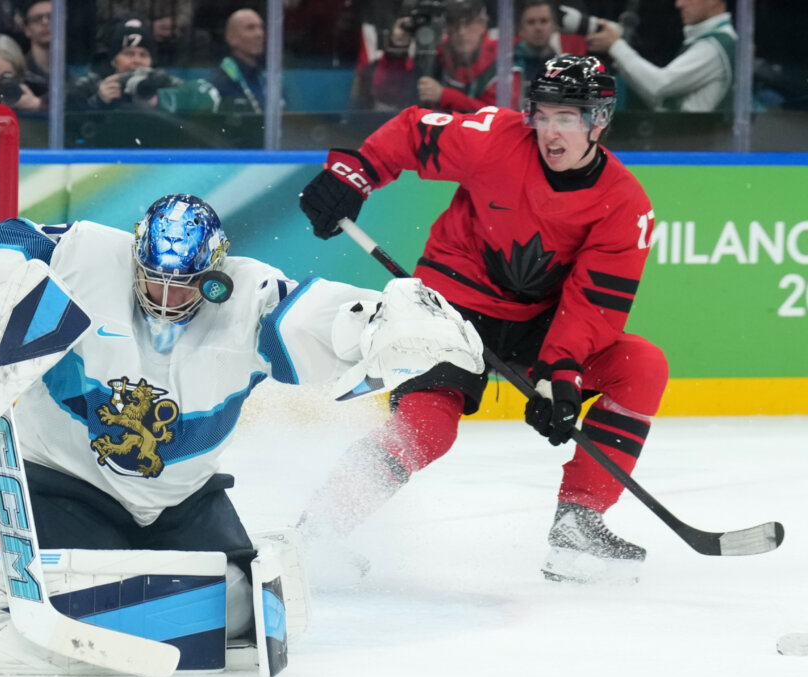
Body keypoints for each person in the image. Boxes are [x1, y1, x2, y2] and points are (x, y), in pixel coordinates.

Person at [0, 193, 483, 673]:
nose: (166, 300)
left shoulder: (248, 293)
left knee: (244, 605)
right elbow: (10, 239)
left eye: (185, 286)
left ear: (214, 274)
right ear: (135, 256)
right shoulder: (88, 254)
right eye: (154, 281)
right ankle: (25, 596)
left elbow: (321, 317)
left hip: (184, 499)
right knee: (63, 593)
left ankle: (83, 605)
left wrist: (388, 324)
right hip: (66, 484)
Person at [297, 54, 668, 584]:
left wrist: (559, 374)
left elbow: (593, 303)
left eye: (567, 118)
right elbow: (413, 132)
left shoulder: (624, 204)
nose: (550, 131)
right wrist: (354, 174)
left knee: (641, 366)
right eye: (543, 115)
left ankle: (577, 526)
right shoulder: (497, 137)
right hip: (448, 306)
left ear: (599, 121)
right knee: (429, 426)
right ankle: (317, 531)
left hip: (537, 324)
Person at [367, 0, 520, 113]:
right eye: (454, 23)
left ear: (483, 25)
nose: (461, 32)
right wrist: (397, 50)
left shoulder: (502, 59)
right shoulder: (434, 56)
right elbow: (388, 96)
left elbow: (502, 115)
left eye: (468, 23)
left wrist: (445, 96)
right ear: (446, 27)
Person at [586, 0, 736, 112]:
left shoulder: (715, 46)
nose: (679, 4)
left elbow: (659, 85)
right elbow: (658, 98)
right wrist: (617, 53)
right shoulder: (711, 42)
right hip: (690, 138)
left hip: (696, 140)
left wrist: (616, 46)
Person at [71, 16, 218, 114]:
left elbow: (209, 98)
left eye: (143, 55)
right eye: (129, 54)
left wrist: (160, 99)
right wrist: (97, 101)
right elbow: (65, 114)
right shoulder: (94, 83)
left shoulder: (161, 80)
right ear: (113, 60)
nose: (137, 60)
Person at [514, 0, 587, 95]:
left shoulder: (565, 68)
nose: (538, 28)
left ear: (554, 26)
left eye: (544, 21)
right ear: (520, 29)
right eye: (531, 22)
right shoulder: (506, 66)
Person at [207, 8, 268, 113]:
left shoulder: (266, 79)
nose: (260, 34)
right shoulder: (220, 84)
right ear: (231, 38)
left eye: (261, 27)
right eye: (250, 28)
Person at [19, 0, 53, 104]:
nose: (45, 22)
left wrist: (39, 104)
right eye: (37, 19)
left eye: (51, 17)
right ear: (27, 29)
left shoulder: (74, 70)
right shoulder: (19, 71)